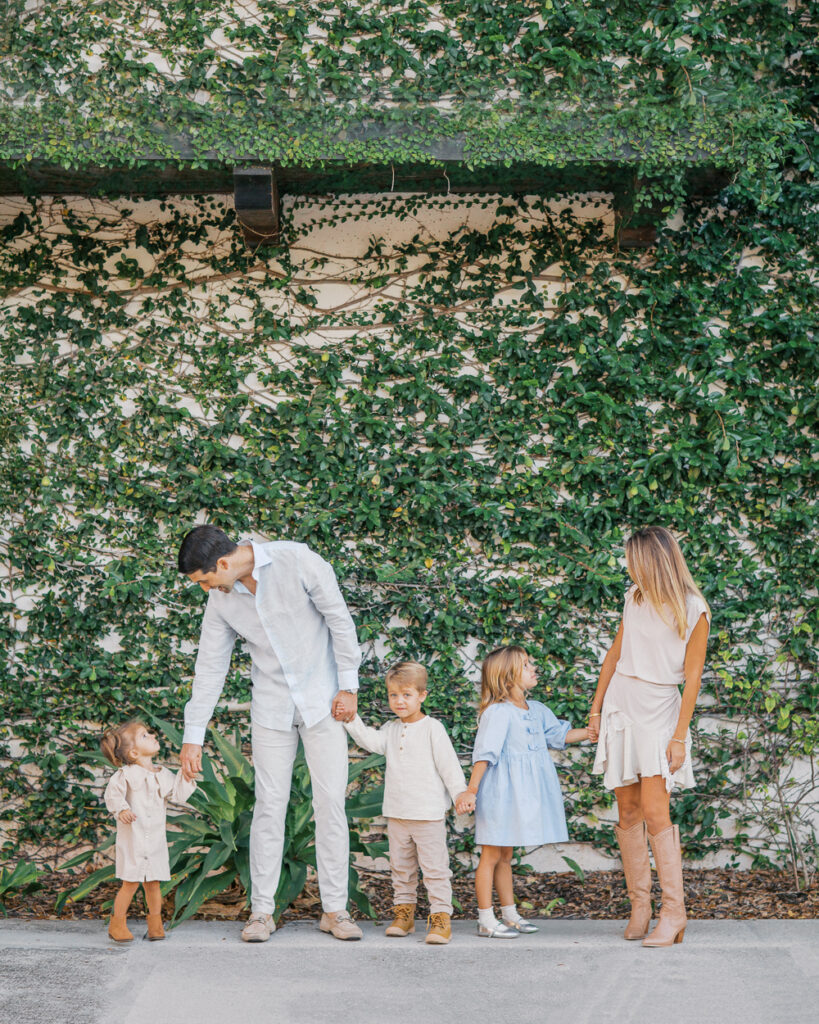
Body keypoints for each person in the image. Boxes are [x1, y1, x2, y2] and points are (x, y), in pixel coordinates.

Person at [176, 524, 363, 942]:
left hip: (324, 702)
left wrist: (348, 686)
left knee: (331, 803)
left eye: (205, 580)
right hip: (271, 706)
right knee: (268, 806)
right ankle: (262, 912)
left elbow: (339, 618)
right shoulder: (222, 600)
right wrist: (194, 734)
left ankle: (335, 910)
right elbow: (210, 665)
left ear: (223, 564)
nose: (206, 589)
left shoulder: (297, 560)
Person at [588, 526, 710, 947]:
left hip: (660, 711)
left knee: (657, 811)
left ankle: (673, 912)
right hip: (623, 705)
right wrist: (596, 708)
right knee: (627, 811)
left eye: (631, 558)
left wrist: (680, 737)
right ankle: (640, 904)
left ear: (651, 559)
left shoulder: (693, 609)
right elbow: (614, 654)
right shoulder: (633, 598)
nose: (627, 566)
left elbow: (692, 680)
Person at [458, 646, 589, 938]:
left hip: (520, 794)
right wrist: (471, 791)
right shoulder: (498, 713)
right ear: (507, 678)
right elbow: (485, 754)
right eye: (526, 665)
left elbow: (559, 736)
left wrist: (593, 730)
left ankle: (509, 913)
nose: (533, 668)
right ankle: (485, 919)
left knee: (505, 855)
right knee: (490, 855)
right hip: (501, 793)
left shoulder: (538, 709)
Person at [340, 661, 470, 945]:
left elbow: (449, 766)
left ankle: (440, 918)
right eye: (393, 695)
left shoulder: (432, 729)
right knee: (401, 868)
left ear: (422, 695)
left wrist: (460, 793)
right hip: (397, 813)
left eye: (407, 695)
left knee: (435, 869)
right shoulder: (390, 729)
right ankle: (404, 914)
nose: (399, 701)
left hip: (428, 815)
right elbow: (370, 741)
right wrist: (351, 719)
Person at [101, 719, 196, 942]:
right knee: (130, 883)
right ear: (134, 752)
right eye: (145, 735)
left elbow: (177, 794)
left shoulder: (162, 774)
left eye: (150, 733)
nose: (153, 736)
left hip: (154, 841)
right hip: (133, 839)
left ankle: (155, 925)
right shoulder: (125, 775)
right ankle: (117, 924)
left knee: (154, 884)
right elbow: (112, 795)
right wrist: (121, 809)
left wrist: (187, 775)